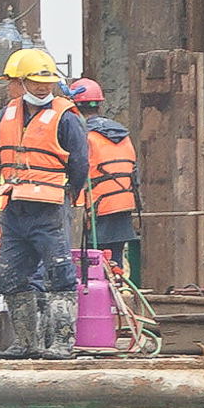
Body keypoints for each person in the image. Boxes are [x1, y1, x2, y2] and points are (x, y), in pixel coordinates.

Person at [0, 49, 90, 359]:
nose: (42, 87)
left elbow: (80, 163)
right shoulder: (7, 113)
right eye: (34, 82)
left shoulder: (66, 118)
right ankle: (25, 343)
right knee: (9, 274)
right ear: (20, 82)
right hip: (14, 209)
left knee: (60, 274)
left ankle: (62, 344)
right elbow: (3, 158)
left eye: (46, 82)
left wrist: (67, 195)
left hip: (48, 208)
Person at [69, 77, 139, 280]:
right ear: (100, 104)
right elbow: (135, 175)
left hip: (93, 217)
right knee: (115, 271)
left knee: (91, 275)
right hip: (121, 214)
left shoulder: (82, 135)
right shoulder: (122, 134)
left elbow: (76, 173)